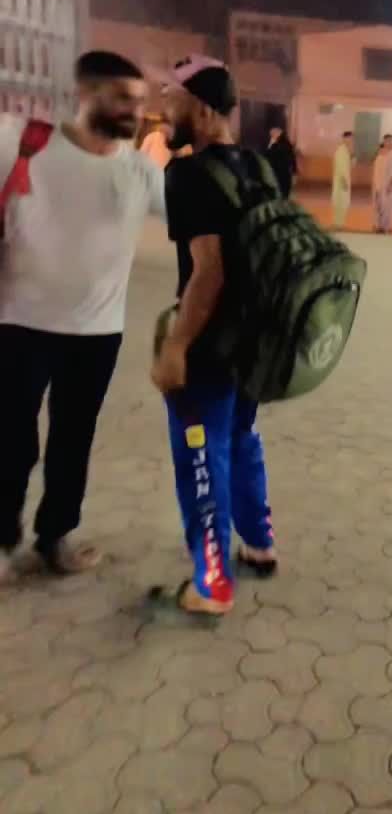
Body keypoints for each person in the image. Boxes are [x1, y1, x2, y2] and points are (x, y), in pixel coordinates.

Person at [0, 50, 165, 583]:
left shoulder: (140, 170)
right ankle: (2, 538)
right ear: (86, 94)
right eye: (122, 98)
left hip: (97, 333)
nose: (134, 111)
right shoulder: (22, 143)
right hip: (19, 323)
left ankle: (56, 536)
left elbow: (198, 216)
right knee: (10, 439)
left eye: (139, 101)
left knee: (73, 440)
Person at [151, 56, 276, 619]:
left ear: (200, 110)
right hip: (255, 340)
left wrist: (176, 346)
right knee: (242, 438)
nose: (162, 109)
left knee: (201, 458)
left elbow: (208, 272)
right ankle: (260, 543)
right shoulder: (261, 167)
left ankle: (212, 585)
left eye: (171, 98)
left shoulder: (188, 174)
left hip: (209, 346)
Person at [374, 133, 392, 234]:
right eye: (386, 141)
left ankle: (387, 227)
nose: (387, 143)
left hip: (390, 184)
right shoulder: (383, 155)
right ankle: (381, 226)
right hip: (382, 184)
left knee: (389, 206)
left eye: (390, 141)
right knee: (382, 206)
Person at [265, 125, 297, 199]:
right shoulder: (270, 143)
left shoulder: (285, 143)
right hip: (274, 170)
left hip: (283, 170)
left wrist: (294, 170)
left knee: (284, 188)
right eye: (272, 133)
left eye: (275, 132)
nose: (272, 134)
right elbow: (267, 155)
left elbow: (291, 157)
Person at [331, 130, 354, 230]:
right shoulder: (341, 150)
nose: (351, 140)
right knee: (341, 201)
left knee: (342, 201)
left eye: (352, 139)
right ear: (344, 138)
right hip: (341, 180)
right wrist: (344, 180)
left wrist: (352, 157)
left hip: (344, 179)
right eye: (349, 138)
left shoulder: (346, 150)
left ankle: (339, 223)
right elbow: (341, 167)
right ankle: (338, 223)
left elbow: (349, 165)